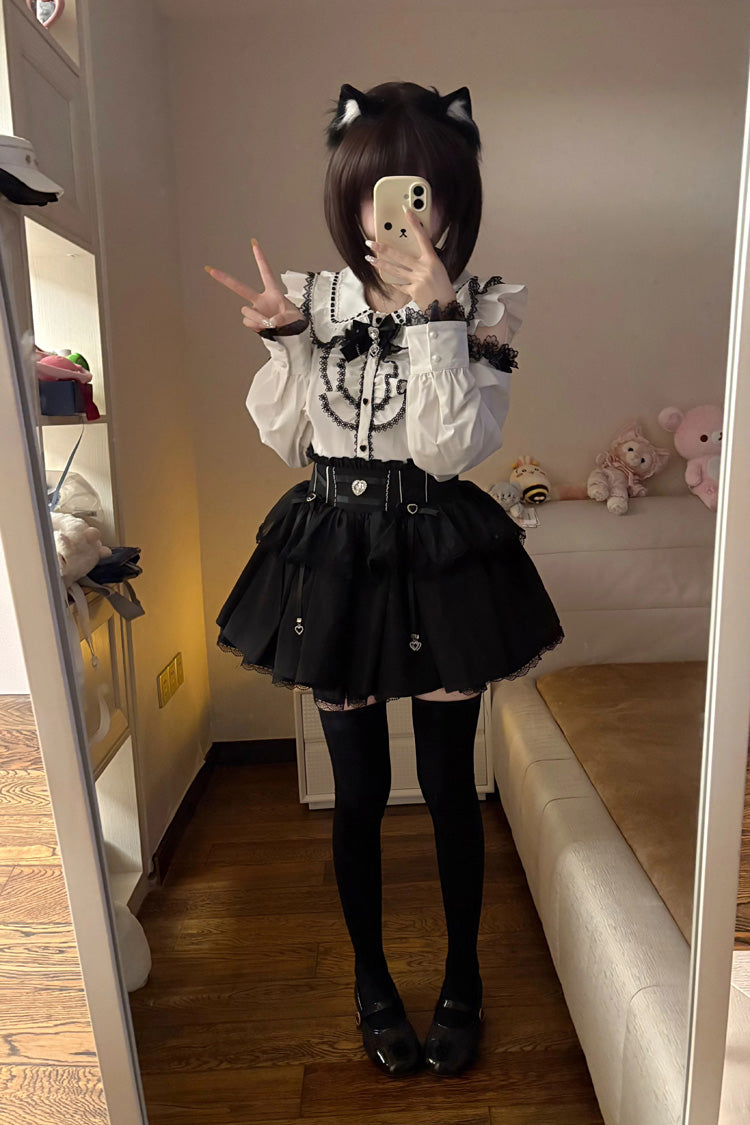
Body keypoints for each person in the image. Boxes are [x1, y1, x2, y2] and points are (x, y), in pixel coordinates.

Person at [206, 81, 565, 1079]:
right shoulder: (312, 301)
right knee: (357, 790)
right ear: (349, 195)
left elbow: (450, 452)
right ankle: (371, 979)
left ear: (451, 200)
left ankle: (463, 978)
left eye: (419, 191)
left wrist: (439, 318)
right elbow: (290, 441)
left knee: (451, 785)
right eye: (376, 191)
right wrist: (286, 342)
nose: (395, 213)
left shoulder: (485, 305)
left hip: (436, 546)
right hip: (335, 552)